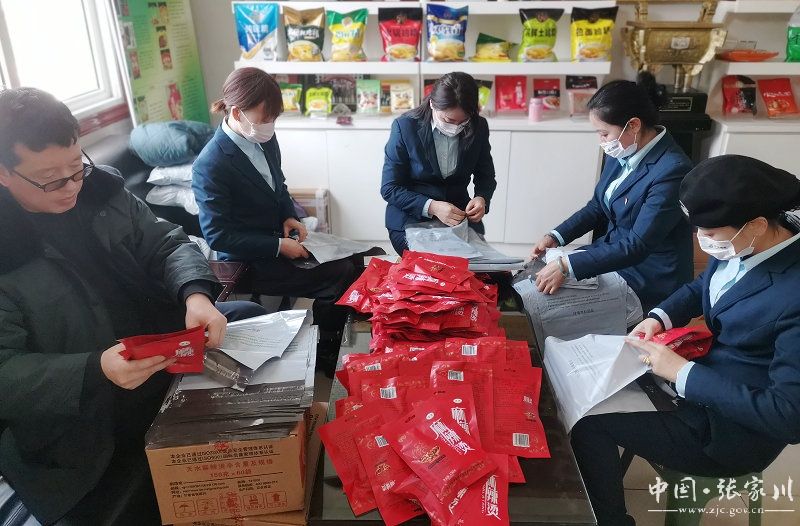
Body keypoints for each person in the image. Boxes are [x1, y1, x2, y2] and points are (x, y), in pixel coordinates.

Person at [0, 87, 265, 525]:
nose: (71, 186)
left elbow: (167, 242)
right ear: (4, 173)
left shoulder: (100, 190)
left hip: (161, 353)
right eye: (50, 178)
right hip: (86, 415)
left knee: (252, 323)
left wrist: (195, 294)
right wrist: (95, 369)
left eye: (76, 166)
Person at [571, 155, 800, 526]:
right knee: (586, 387)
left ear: (757, 225)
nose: (701, 242)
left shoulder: (793, 293)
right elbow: (706, 286)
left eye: (709, 234)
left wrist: (683, 373)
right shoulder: (746, 241)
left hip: (730, 431)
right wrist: (657, 317)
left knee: (587, 424)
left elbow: (789, 417)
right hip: (706, 378)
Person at [192, 67, 357, 368]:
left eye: (273, 118)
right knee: (339, 276)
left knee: (355, 260)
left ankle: (335, 341)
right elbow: (218, 236)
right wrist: (279, 246)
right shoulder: (211, 164)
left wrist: (289, 216)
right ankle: (323, 355)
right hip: (249, 258)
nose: (269, 125)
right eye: (264, 118)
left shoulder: (264, 136)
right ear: (237, 113)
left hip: (278, 237)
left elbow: (278, 184)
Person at [530, 73, 693, 311]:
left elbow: (637, 245)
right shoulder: (625, 147)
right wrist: (557, 236)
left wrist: (567, 266)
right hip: (614, 252)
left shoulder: (672, 170)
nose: (602, 141)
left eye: (604, 133)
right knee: (534, 281)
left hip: (649, 273)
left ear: (633, 125)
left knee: (550, 304)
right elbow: (598, 205)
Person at [380, 71, 497, 254]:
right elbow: (390, 188)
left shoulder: (478, 126)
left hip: (458, 218)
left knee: (478, 267)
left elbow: (486, 176)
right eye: (449, 120)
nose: (456, 127)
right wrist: (432, 207)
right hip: (411, 219)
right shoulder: (405, 127)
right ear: (432, 104)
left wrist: (481, 198)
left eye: (463, 121)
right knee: (436, 264)